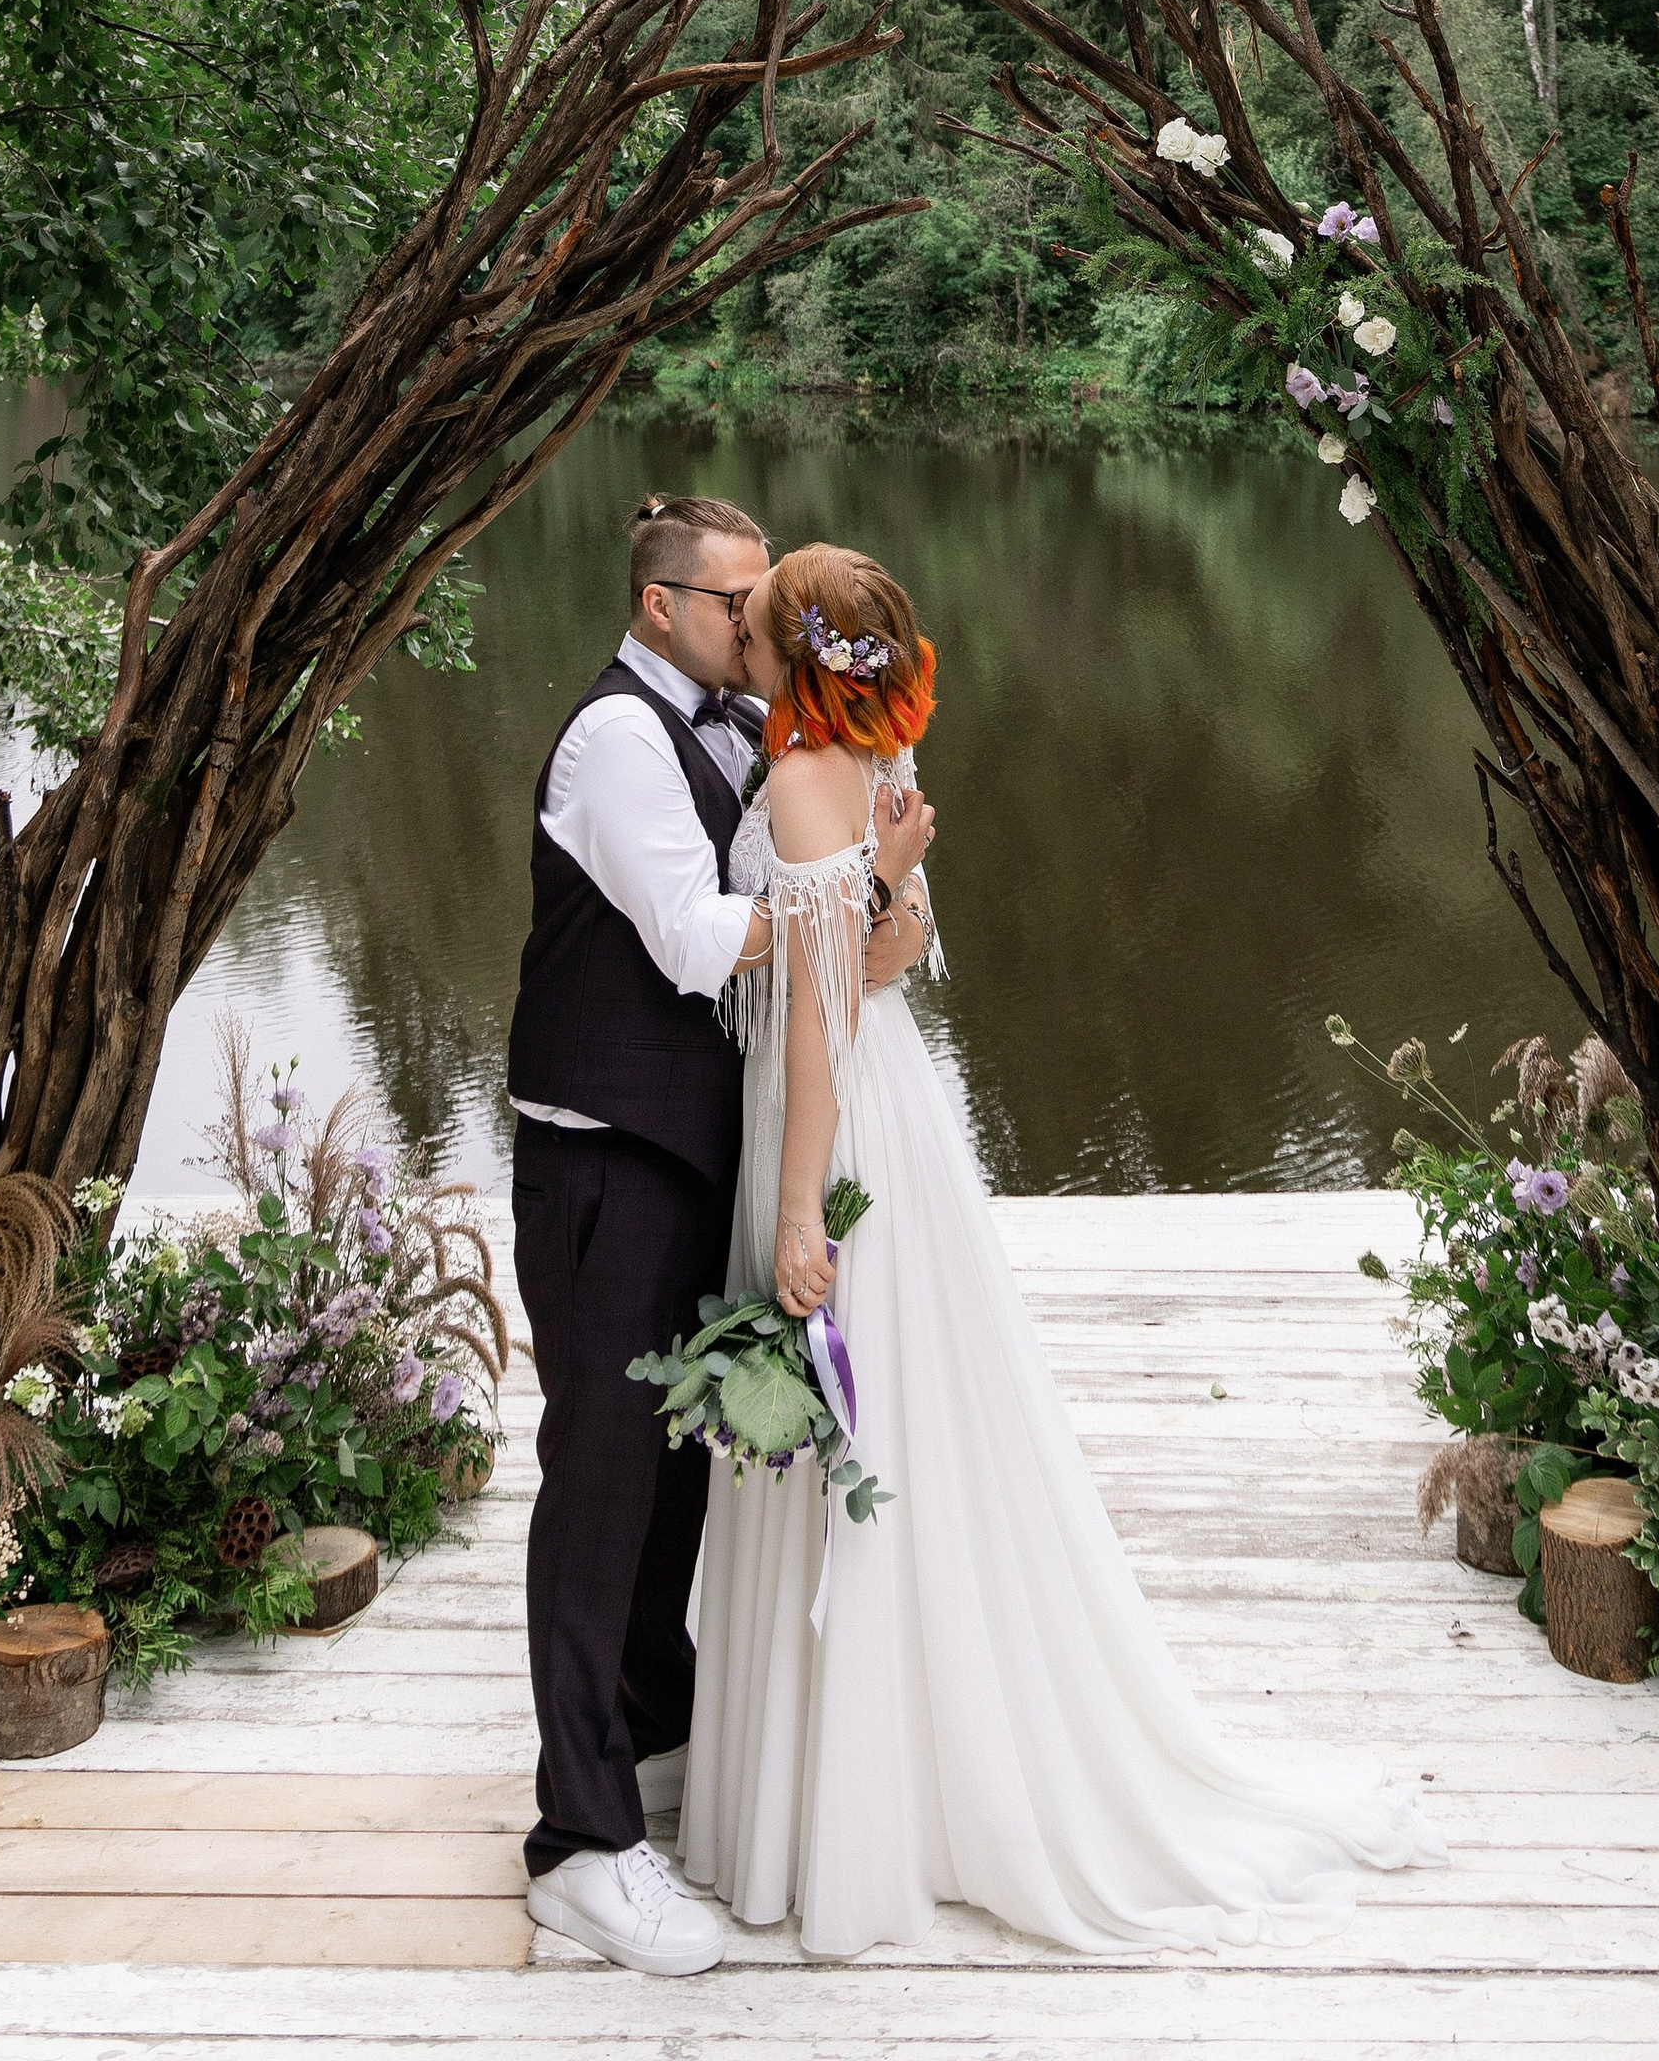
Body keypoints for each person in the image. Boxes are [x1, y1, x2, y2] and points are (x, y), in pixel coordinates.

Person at [680, 538, 1446, 1957]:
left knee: (855, 1412)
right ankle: (897, 1774)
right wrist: (885, 879)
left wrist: (794, 1210)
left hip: (833, 1121)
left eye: (762, 627)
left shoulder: (799, 780)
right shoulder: (881, 782)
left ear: (794, 654)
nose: (746, 644)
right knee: (905, 1419)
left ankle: (849, 1808)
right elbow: (896, 955)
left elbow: (824, 1004)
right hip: (897, 1106)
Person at [504, 492, 932, 1977]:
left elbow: (866, 947)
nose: (759, 624)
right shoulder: (619, 738)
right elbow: (695, 939)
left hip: (706, 1156)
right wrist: (841, 887)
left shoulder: (763, 738)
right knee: (601, 1491)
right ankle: (580, 1842)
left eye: (769, 605)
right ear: (663, 607)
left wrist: (867, 887)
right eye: (737, 602)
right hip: (607, 1161)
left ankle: (657, 1748)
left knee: (679, 1492)